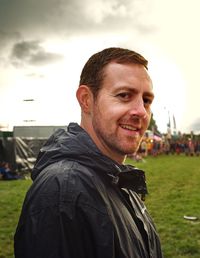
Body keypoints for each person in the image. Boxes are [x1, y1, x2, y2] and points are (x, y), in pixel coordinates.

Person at [14, 47, 163, 258]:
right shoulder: (63, 192)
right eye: (124, 95)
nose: (141, 111)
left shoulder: (116, 177)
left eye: (146, 100)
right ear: (86, 99)